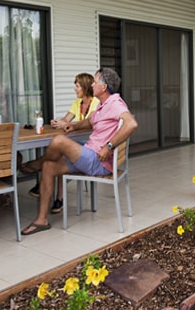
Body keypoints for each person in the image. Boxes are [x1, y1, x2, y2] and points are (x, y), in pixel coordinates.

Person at [21, 67, 137, 235]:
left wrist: (109, 146)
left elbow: (131, 123)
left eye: (95, 81)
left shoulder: (115, 103)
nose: (92, 83)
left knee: (58, 141)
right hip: (89, 153)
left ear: (103, 87)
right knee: (48, 166)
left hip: (99, 160)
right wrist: (73, 125)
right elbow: (90, 122)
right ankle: (42, 220)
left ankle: (34, 164)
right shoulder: (103, 105)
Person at [21, 73, 100, 213]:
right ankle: (58, 199)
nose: (75, 89)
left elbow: (90, 124)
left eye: (77, 86)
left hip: (89, 146)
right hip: (76, 144)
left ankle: (41, 175)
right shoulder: (77, 103)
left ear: (86, 87)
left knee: (61, 156)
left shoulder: (95, 102)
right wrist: (58, 122)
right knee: (60, 156)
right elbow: (67, 119)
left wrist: (68, 123)